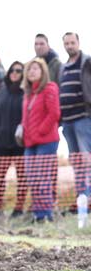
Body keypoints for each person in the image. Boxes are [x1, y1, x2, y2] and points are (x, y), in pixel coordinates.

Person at [21, 58, 61, 223]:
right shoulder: (28, 93)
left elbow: (54, 114)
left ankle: (47, 214)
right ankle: (38, 214)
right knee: (32, 177)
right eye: (29, 69)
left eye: (36, 68)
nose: (32, 72)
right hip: (30, 142)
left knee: (43, 177)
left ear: (43, 71)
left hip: (46, 141)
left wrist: (40, 131)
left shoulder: (50, 89)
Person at [0, 61, 28, 221]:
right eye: (12, 70)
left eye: (19, 70)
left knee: (22, 177)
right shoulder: (2, 92)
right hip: (2, 142)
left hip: (20, 143)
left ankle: (19, 208)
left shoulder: (26, 92)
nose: (15, 73)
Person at [59, 32, 91, 209]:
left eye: (72, 42)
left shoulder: (86, 62)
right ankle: (81, 197)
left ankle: (89, 196)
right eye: (66, 43)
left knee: (87, 158)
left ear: (78, 42)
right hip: (67, 120)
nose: (69, 46)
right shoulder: (64, 67)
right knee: (76, 161)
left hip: (83, 118)